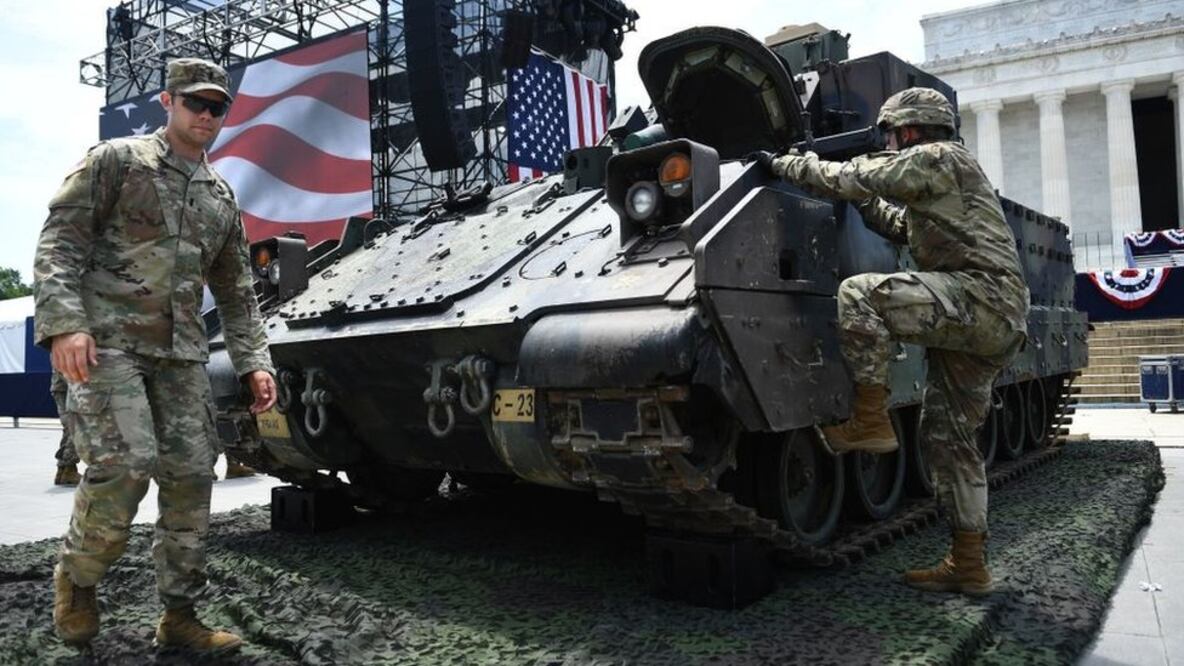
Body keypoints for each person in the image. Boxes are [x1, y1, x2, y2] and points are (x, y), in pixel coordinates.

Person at [33, 57, 277, 652]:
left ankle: (179, 615)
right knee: (126, 462)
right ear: (168, 103)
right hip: (106, 345)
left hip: (180, 356)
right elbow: (60, 241)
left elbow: (237, 291)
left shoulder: (221, 196)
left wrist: (255, 360)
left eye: (218, 107)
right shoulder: (116, 162)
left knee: (194, 474)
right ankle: (79, 579)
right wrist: (65, 325)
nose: (207, 115)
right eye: (195, 102)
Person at [755, 88, 1029, 596]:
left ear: (910, 130)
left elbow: (858, 174)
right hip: (994, 318)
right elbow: (899, 225)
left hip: (980, 300)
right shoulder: (945, 178)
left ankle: (870, 419)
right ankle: (969, 565)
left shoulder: (938, 157)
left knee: (860, 294)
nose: (889, 140)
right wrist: (859, 197)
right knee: (949, 439)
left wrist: (789, 165)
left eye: (892, 132)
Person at [51, 370, 82, 486]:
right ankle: (68, 469)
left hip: (59, 386)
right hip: (72, 386)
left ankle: (62, 470)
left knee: (70, 428)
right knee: (76, 427)